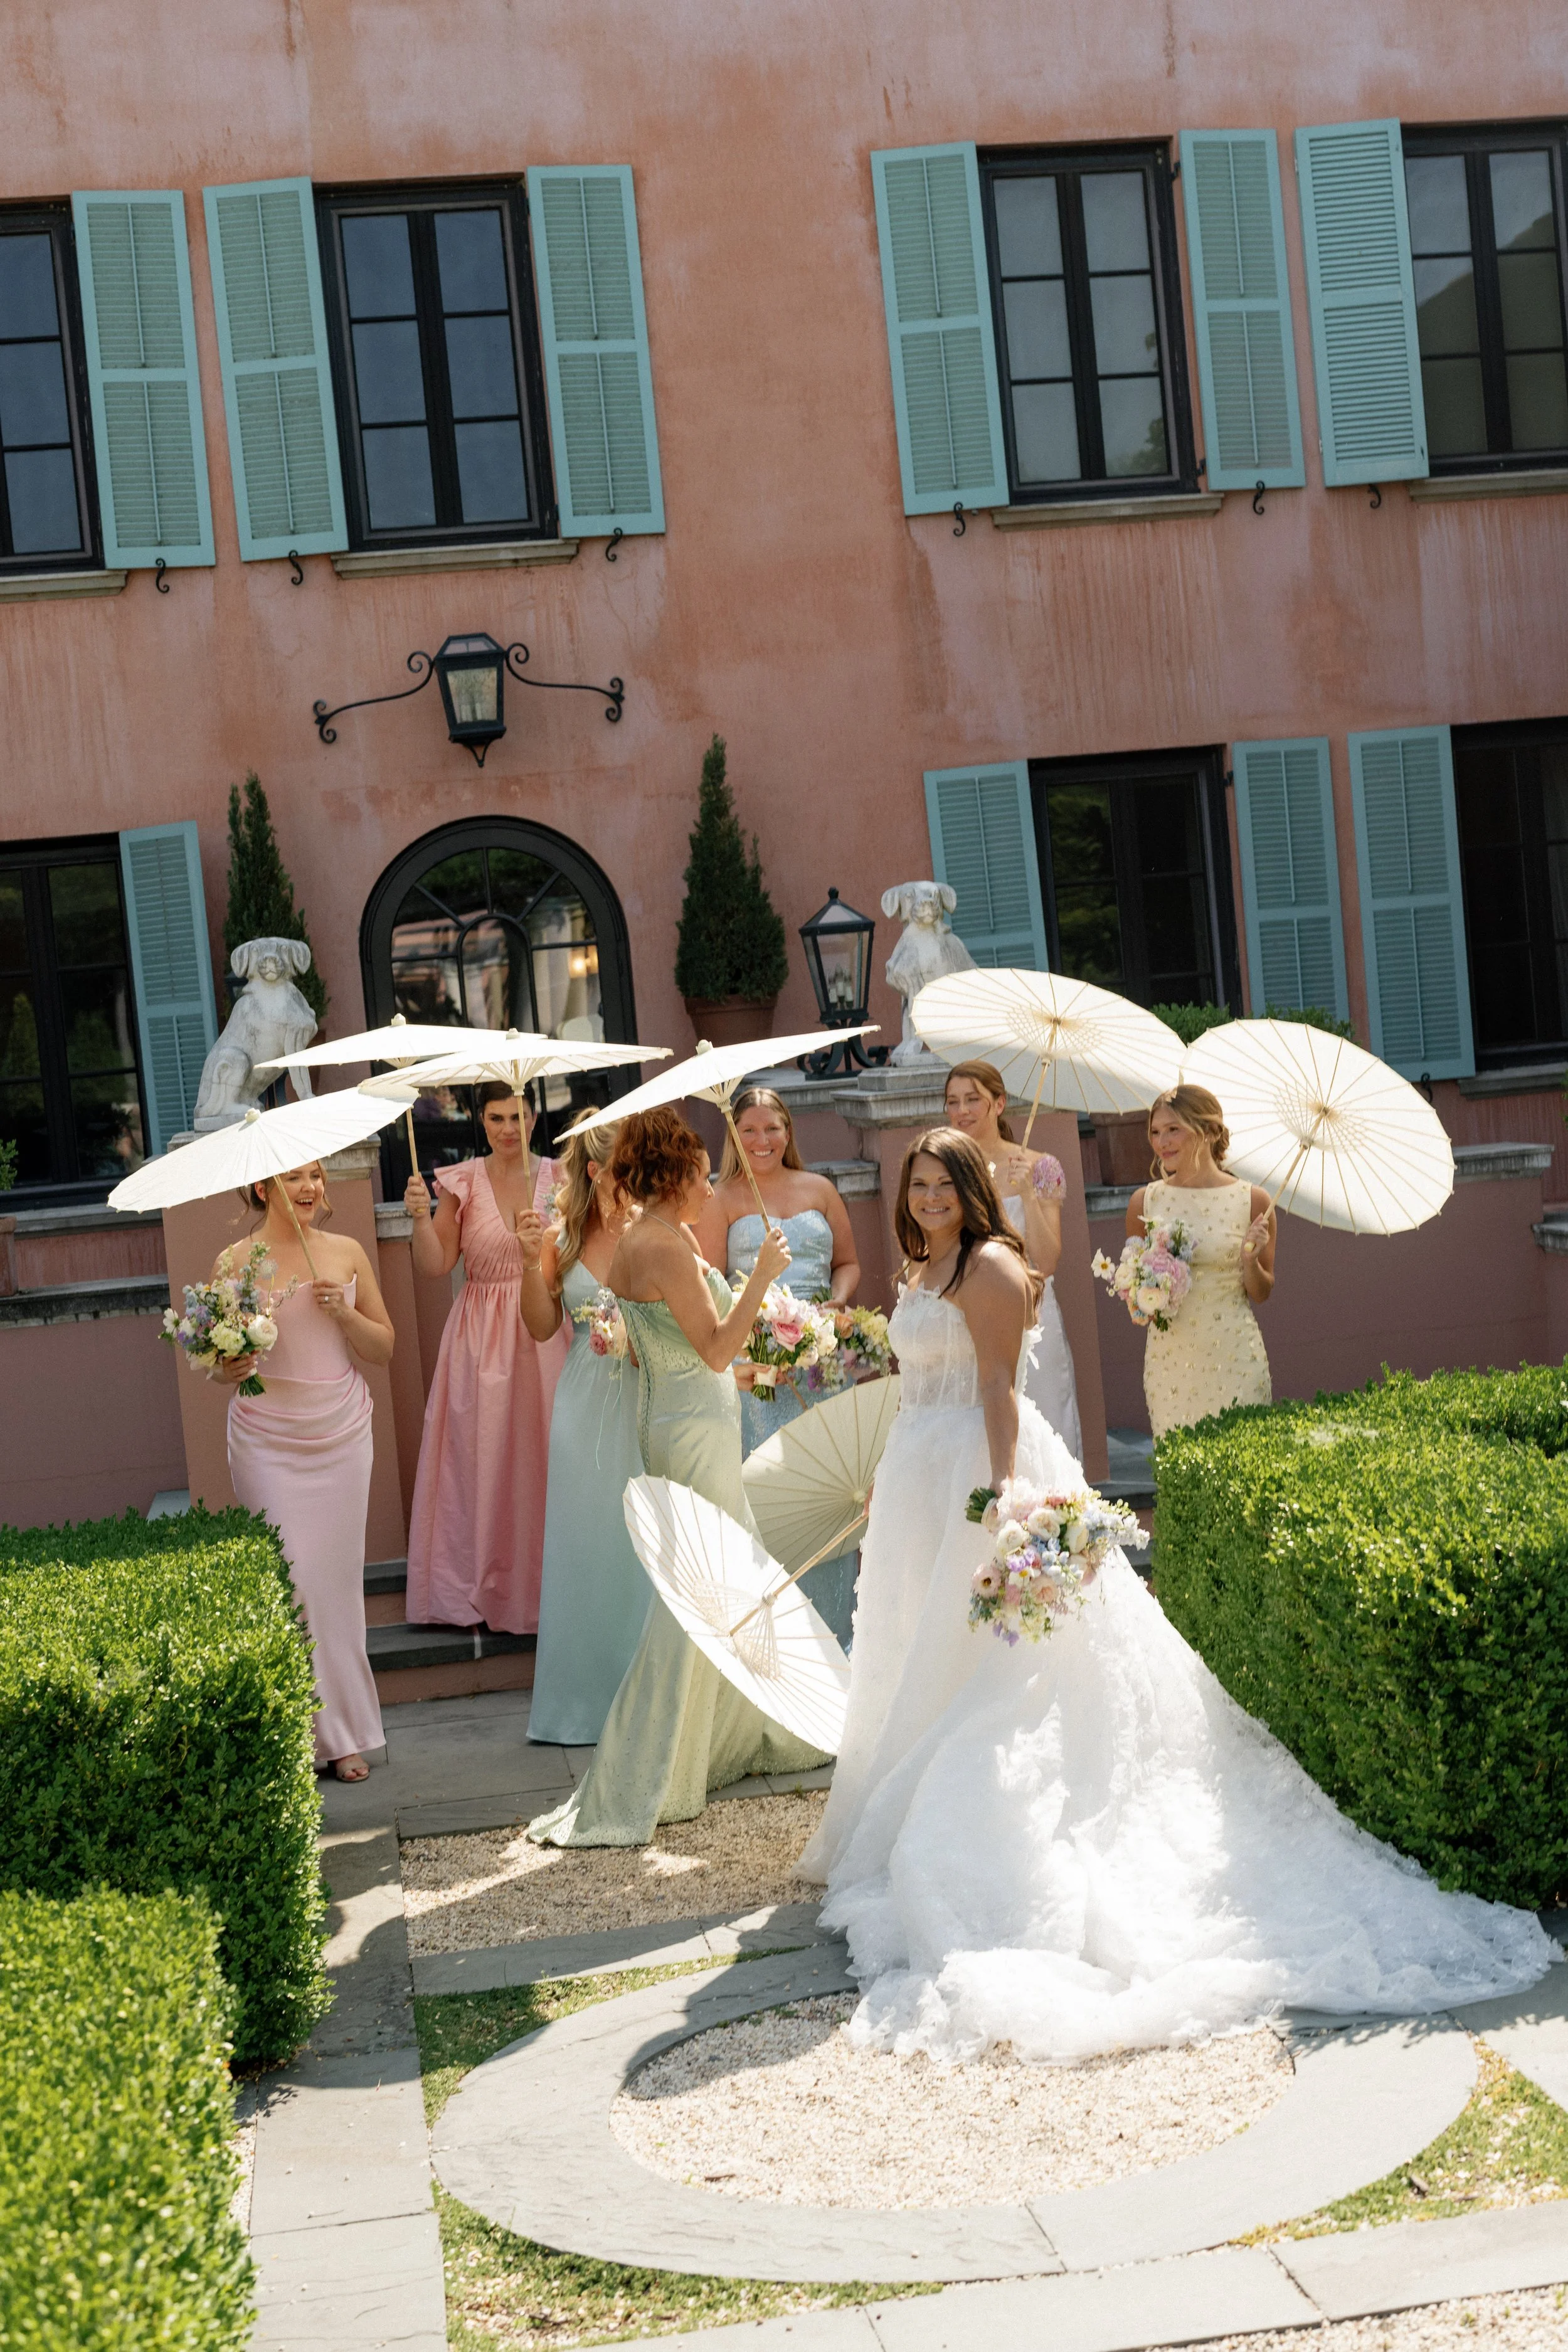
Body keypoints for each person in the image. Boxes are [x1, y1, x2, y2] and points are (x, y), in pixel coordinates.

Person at [797, 1129, 1554, 2064]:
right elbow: (920, 1385)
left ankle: (962, 1823)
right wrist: (886, 1472)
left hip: (972, 1474)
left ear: (968, 1189)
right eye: (915, 1184)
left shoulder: (991, 1265)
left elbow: (996, 1387)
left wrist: (1005, 1503)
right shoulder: (923, 1268)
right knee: (914, 1641)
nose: (927, 1197)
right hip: (916, 1471)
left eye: (941, 1182)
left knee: (993, 1667)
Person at [529, 1108, 830, 1847]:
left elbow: (688, 1354)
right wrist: (760, 1277)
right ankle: (643, 1765)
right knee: (698, 1594)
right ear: (674, 1178)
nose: (710, 1189)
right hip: (690, 1433)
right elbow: (717, 1347)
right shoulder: (661, 1246)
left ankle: (736, 1731)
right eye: (701, 1177)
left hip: (689, 1419)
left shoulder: (657, 1239)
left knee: (732, 1580)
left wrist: (769, 1362)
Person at [218, 1162, 393, 1782]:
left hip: (341, 1435)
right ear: (264, 1187)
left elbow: (384, 1346)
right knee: (291, 1578)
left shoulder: (345, 1253)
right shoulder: (235, 1261)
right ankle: (298, 1732)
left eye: (317, 1176)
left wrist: (343, 1315)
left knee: (337, 1587)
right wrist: (229, 1368)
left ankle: (344, 1737)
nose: (311, 1187)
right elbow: (219, 1359)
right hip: (268, 1439)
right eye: (295, 1178)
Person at [694, 1087, 862, 1649]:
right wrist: (761, 1323)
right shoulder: (720, 1198)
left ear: (789, 1132)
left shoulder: (820, 1190)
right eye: (749, 1130)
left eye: (772, 1128)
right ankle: (777, 1639)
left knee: (829, 1488)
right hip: (755, 1372)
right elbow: (711, 1287)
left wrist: (836, 1304)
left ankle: (838, 1632)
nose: (762, 1141)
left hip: (822, 1367)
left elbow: (849, 1263)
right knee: (768, 1498)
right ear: (733, 1136)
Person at [403, 1085, 567, 1636]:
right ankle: (479, 1591)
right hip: (480, 1337)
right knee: (484, 1460)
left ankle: (547, 1590)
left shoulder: (562, 1177)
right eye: (496, 1118)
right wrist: (421, 1219)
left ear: (534, 1116)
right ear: (480, 1118)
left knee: (544, 1459)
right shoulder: (463, 1180)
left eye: (517, 1117)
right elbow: (435, 1264)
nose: (507, 1129)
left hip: (546, 1329)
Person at [518, 1118, 650, 1745]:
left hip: (646, 1399)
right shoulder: (560, 1236)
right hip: (582, 1400)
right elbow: (542, 1328)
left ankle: (646, 1701)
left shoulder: (652, 1231)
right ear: (595, 1172)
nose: (632, 1185)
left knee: (642, 1543)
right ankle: (579, 1706)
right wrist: (528, 1264)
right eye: (623, 1171)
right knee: (586, 1543)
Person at [943, 1059, 1083, 1460]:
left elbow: (1048, 1260)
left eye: (973, 1099)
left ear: (999, 1103)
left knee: (1045, 1416)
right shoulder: (944, 1169)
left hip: (1032, 1315)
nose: (962, 1111)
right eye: (953, 1102)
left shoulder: (1041, 1167)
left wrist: (1025, 1194)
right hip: (968, 1316)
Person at [1130, 1084, 1273, 1439]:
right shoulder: (1144, 1202)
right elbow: (1136, 1309)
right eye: (1155, 1132)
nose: (1162, 1142)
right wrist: (1146, 1293)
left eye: (1173, 1129)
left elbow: (1261, 1292)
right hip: (1170, 1365)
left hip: (1236, 1356)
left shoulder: (1254, 1200)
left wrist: (1249, 1260)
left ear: (1209, 1132)